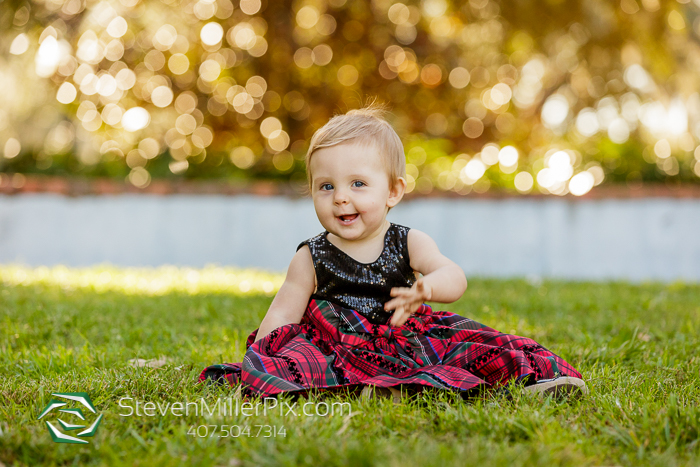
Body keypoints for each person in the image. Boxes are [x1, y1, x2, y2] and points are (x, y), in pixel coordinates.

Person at [200, 104, 587, 401]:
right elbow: (284, 312)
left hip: (402, 336)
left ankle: (541, 379)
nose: (342, 198)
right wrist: (259, 360)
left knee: (472, 348)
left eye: (357, 183)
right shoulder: (310, 256)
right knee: (301, 359)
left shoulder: (408, 241)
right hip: (337, 346)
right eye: (326, 186)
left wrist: (425, 290)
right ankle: (387, 387)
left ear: (393, 191)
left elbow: (453, 276)